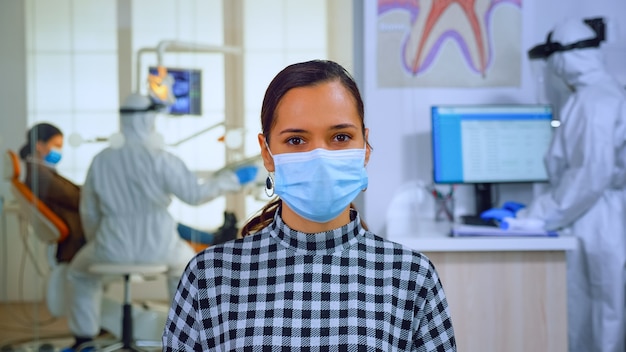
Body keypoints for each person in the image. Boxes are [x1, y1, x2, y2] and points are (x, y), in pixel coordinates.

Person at [162, 60, 457, 351]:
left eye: (340, 137)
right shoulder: (210, 276)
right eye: (296, 140)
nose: (320, 158)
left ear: (365, 147)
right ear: (267, 153)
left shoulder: (411, 276)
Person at [64, 93, 254, 351]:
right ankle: (187, 339)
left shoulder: (101, 160)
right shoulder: (162, 159)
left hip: (111, 244)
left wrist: (99, 242)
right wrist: (233, 179)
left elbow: (89, 212)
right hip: (161, 245)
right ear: (150, 120)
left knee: (79, 273)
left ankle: (84, 340)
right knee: (187, 272)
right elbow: (195, 195)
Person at [525, 18, 626, 352]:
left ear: (563, 58)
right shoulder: (601, 93)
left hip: (598, 218)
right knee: (599, 308)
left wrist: (539, 216)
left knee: (599, 310)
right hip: (595, 213)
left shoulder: (594, 101)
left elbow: (590, 176)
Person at [19, 123, 86, 263]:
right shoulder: (39, 175)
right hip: (74, 236)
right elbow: (72, 197)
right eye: (56, 145)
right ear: (39, 145)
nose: (59, 150)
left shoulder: (44, 171)